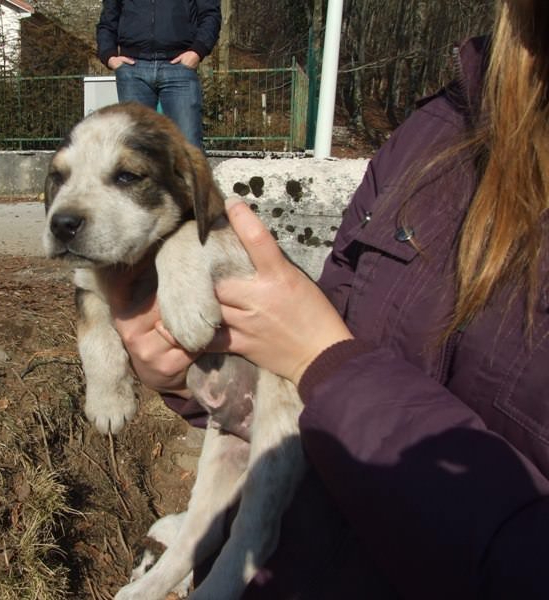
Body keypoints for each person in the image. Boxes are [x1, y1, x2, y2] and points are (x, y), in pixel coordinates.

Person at [106, 0, 549, 597]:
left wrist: (327, 363)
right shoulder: (438, 126)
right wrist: (200, 376)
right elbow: (291, 375)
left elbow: (318, 356)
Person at [95, 0, 221, 150]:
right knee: (136, 149)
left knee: (189, 147)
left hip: (180, 66)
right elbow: (108, 20)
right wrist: (109, 56)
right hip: (132, 69)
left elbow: (210, 14)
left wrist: (197, 51)